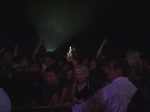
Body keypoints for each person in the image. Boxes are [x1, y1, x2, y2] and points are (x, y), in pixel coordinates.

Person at [72, 59, 137, 112]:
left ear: (118, 72)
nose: (108, 72)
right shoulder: (135, 89)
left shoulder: (107, 91)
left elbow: (88, 108)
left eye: (111, 69)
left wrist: (74, 107)